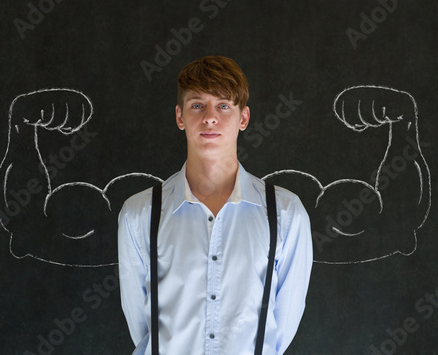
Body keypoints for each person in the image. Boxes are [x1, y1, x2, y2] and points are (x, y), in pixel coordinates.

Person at [118, 55, 313, 354]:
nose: (210, 117)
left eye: (223, 105)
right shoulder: (140, 214)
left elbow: (282, 326)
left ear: (243, 118)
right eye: (197, 105)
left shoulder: (285, 213)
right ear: (180, 117)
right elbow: (141, 326)